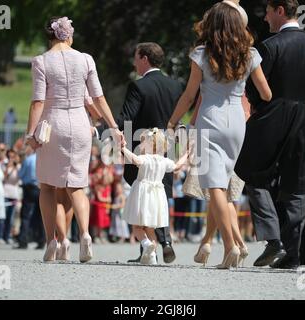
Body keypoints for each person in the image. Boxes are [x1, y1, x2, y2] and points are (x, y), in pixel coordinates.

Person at [169, 1, 271, 269]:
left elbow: (190, 95)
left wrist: (173, 121)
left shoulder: (201, 54)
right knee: (224, 185)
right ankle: (226, 244)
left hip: (209, 120)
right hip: (237, 122)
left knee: (214, 185)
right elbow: (266, 94)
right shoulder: (249, 54)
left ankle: (229, 247)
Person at [235, 0, 305, 269]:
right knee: (297, 187)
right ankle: (292, 254)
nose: (265, 18)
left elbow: (255, 87)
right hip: (303, 118)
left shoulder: (269, 45)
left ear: (280, 11)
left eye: (268, 12)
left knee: (251, 174)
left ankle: (273, 241)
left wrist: (255, 105)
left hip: (270, 115)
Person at [25, 16, 124, 262]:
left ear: (49, 36)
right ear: (67, 35)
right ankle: (85, 235)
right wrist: (113, 126)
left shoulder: (41, 61)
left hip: (53, 125)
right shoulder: (86, 59)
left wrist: (30, 134)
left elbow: (38, 101)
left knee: (48, 186)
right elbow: (98, 98)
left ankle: (52, 241)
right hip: (81, 125)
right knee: (78, 186)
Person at [116, 42, 183, 264]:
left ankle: (151, 248)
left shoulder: (138, 86)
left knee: (144, 200)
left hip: (143, 148)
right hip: (167, 148)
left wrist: (105, 131)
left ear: (144, 58)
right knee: (159, 198)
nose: (134, 62)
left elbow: (126, 118)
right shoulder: (175, 86)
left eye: (136, 57)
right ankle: (164, 243)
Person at [121, 128, 190, 265]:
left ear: (150, 145)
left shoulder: (144, 158)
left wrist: (123, 148)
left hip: (142, 193)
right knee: (151, 227)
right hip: (157, 195)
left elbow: (134, 160)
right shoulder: (163, 160)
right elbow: (177, 166)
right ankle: (152, 256)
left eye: (142, 143)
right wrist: (186, 154)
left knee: (137, 226)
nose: (140, 145)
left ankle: (146, 244)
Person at [15, 146, 44, 249]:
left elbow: (20, 175)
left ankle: (23, 241)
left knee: (26, 216)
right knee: (41, 216)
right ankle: (41, 240)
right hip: (41, 188)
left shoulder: (28, 160)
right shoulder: (43, 159)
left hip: (29, 189)